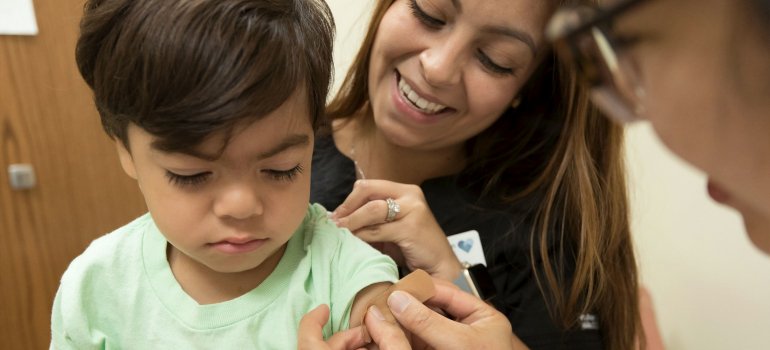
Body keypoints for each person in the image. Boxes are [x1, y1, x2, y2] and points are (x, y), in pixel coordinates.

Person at [300, 0, 770, 348]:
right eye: (429, 13)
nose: (437, 68)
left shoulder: (549, 232)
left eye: (495, 60)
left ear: (528, 85)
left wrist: (455, 279)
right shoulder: (277, 146)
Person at [50, 0, 399, 348]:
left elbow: (386, 318)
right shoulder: (96, 287)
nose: (242, 206)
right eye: (192, 175)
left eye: (281, 169)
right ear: (124, 149)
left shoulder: (345, 273)